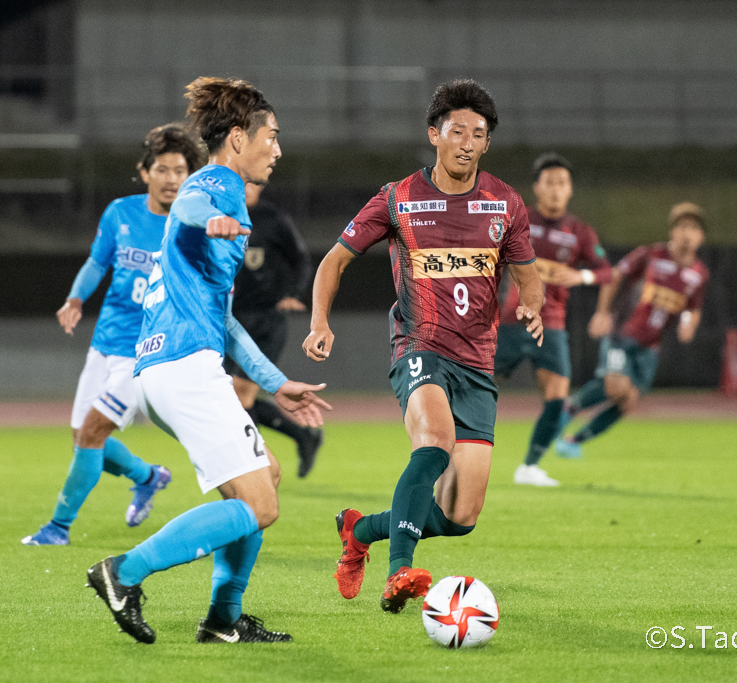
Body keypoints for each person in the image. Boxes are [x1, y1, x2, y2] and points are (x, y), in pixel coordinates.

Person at [86, 77, 331, 645]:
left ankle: (223, 619)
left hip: (173, 367)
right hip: (184, 369)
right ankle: (125, 572)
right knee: (261, 505)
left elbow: (224, 322)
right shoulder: (217, 184)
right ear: (239, 138)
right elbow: (191, 202)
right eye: (272, 136)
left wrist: (275, 383)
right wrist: (209, 219)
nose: (278, 149)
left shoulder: (225, 199)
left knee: (265, 476)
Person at [304, 79, 544, 614]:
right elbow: (334, 261)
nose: (467, 143)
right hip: (420, 346)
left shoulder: (505, 203)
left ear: (487, 143)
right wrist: (320, 321)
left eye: (478, 135)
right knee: (434, 442)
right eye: (457, 131)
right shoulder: (398, 198)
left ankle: (359, 530)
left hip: (477, 363)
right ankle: (399, 571)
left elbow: (529, 276)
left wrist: (531, 305)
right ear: (434, 134)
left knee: (460, 517)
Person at [22, 124, 206, 546]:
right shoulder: (120, 213)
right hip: (104, 342)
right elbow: (97, 262)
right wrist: (75, 299)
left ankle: (58, 528)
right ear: (145, 173)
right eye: (162, 169)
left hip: (144, 353)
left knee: (91, 434)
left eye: (180, 171)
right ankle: (148, 476)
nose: (171, 179)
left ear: (190, 176)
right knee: (83, 441)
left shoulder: (192, 226)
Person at [494, 153, 612, 487]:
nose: (556, 189)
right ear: (537, 188)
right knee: (472, 387)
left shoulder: (579, 232)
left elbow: (606, 271)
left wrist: (581, 277)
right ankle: (450, 456)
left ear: (570, 189)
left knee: (557, 398)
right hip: (509, 322)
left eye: (562, 183)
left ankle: (529, 467)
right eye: (549, 182)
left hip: (552, 326)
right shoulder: (517, 220)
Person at [555, 202, 708, 455]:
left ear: (701, 237)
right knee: (616, 386)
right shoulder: (651, 255)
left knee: (628, 401)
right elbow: (614, 276)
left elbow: (693, 308)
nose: (686, 234)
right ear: (672, 231)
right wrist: (603, 312)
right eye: (682, 227)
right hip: (622, 334)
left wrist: (689, 323)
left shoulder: (699, 274)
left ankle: (573, 442)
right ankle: (568, 408)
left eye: (693, 229)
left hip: (650, 346)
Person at [224, 181, 322, 478]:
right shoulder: (220, 218)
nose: (246, 188)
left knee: (240, 396)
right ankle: (301, 435)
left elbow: (300, 260)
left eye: (252, 183)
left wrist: (292, 293)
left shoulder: (272, 219)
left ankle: (253, 466)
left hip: (266, 319)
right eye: (240, 182)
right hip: (228, 319)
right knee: (232, 396)